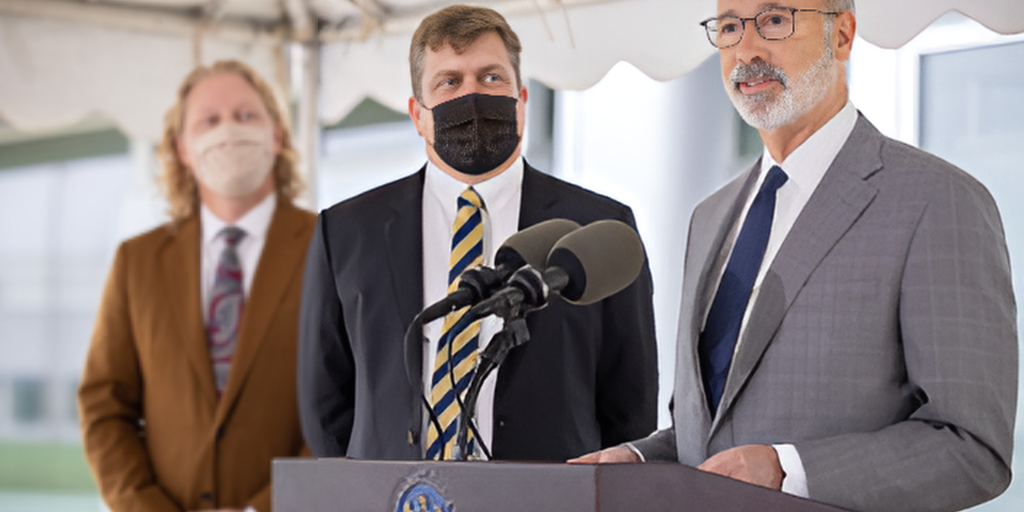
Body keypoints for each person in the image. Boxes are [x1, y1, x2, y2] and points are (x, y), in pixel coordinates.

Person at [571, 1, 1018, 511]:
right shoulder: (710, 216)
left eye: (775, 20)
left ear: (843, 36)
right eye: (732, 26)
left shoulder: (937, 200)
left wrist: (790, 470)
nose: (746, 49)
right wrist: (642, 458)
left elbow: (972, 448)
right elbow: (716, 435)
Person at [298, 4, 657, 462]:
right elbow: (323, 405)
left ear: (522, 101)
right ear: (418, 115)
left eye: (491, 78)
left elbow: (630, 410)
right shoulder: (345, 232)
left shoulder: (600, 228)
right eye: (449, 82)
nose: (472, 96)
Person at [78, 60, 316, 512]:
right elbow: (104, 407)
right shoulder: (138, 262)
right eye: (209, 120)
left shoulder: (330, 247)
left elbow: (349, 402)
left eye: (246, 116)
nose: (228, 131)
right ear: (182, 147)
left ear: (277, 135)